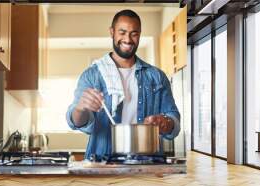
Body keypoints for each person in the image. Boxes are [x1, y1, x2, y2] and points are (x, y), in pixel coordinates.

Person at [66, 9, 180, 161]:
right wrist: (81, 108)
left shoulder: (157, 76)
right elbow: (76, 122)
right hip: (102, 165)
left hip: (148, 165)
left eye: (134, 33)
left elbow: (174, 120)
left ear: (139, 34)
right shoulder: (92, 75)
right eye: (122, 32)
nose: (128, 39)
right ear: (112, 32)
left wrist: (166, 122)